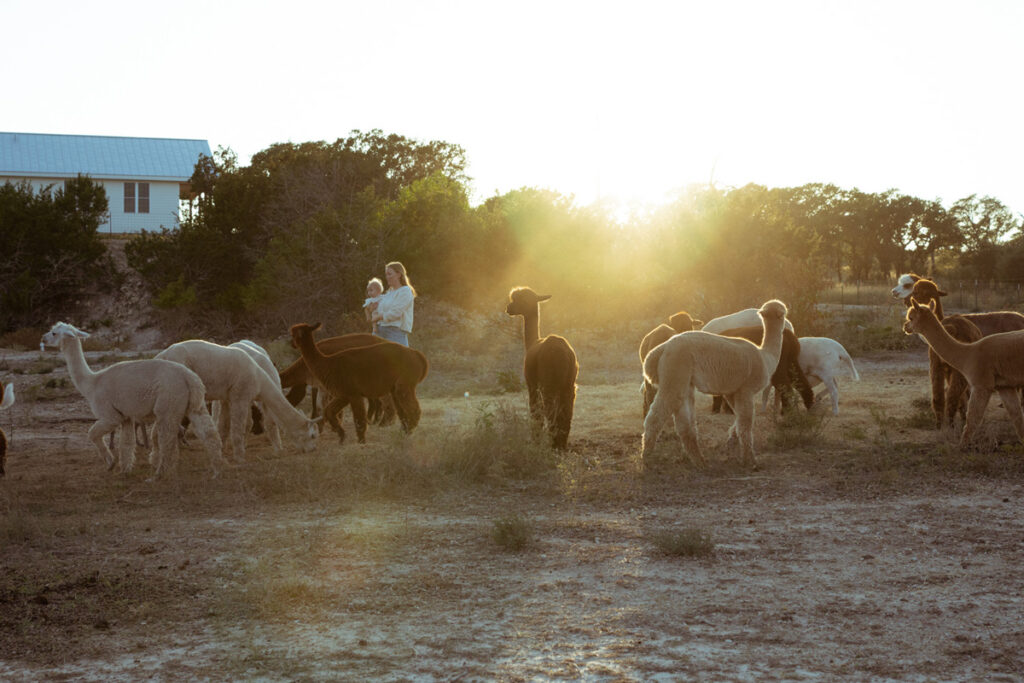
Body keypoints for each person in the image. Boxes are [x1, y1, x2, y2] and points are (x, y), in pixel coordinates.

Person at [371, 261, 416, 346]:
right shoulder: (389, 292)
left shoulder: (405, 291)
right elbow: (380, 311)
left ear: (399, 274)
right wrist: (374, 308)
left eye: (390, 274)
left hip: (395, 333)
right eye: (386, 274)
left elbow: (395, 313)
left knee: (400, 359)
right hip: (379, 331)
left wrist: (378, 316)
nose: (387, 277)